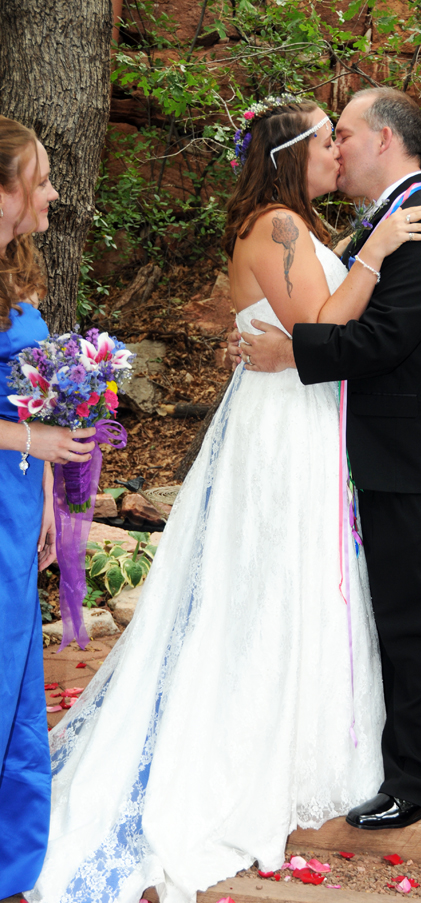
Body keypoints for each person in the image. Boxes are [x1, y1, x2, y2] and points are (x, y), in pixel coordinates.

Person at [28, 97, 421, 903]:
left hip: (305, 417)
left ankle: (300, 740)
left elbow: (303, 334)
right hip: (281, 433)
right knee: (274, 579)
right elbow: (320, 321)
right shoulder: (278, 228)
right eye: (329, 140)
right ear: (295, 153)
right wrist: (379, 248)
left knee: (302, 579)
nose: (340, 151)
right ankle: (245, 746)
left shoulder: (296, 224)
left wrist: (348, 269)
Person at [237, 87, 421, 830]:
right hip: (395, 453)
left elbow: (383, 341)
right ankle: (410, 766)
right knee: (407, 616)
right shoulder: (385, 221)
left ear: (381, 138)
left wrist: (291, 351)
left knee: (419, 620)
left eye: (343, 133)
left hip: (418, 457)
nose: (336, 147)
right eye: (325, 137)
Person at [0, 115, 96, 899]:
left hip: (12, 496)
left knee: (18, 679)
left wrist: (38, 500)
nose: (54, 192)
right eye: (41, 179)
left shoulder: (14, 268)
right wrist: (32, 436)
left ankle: (11, 862)